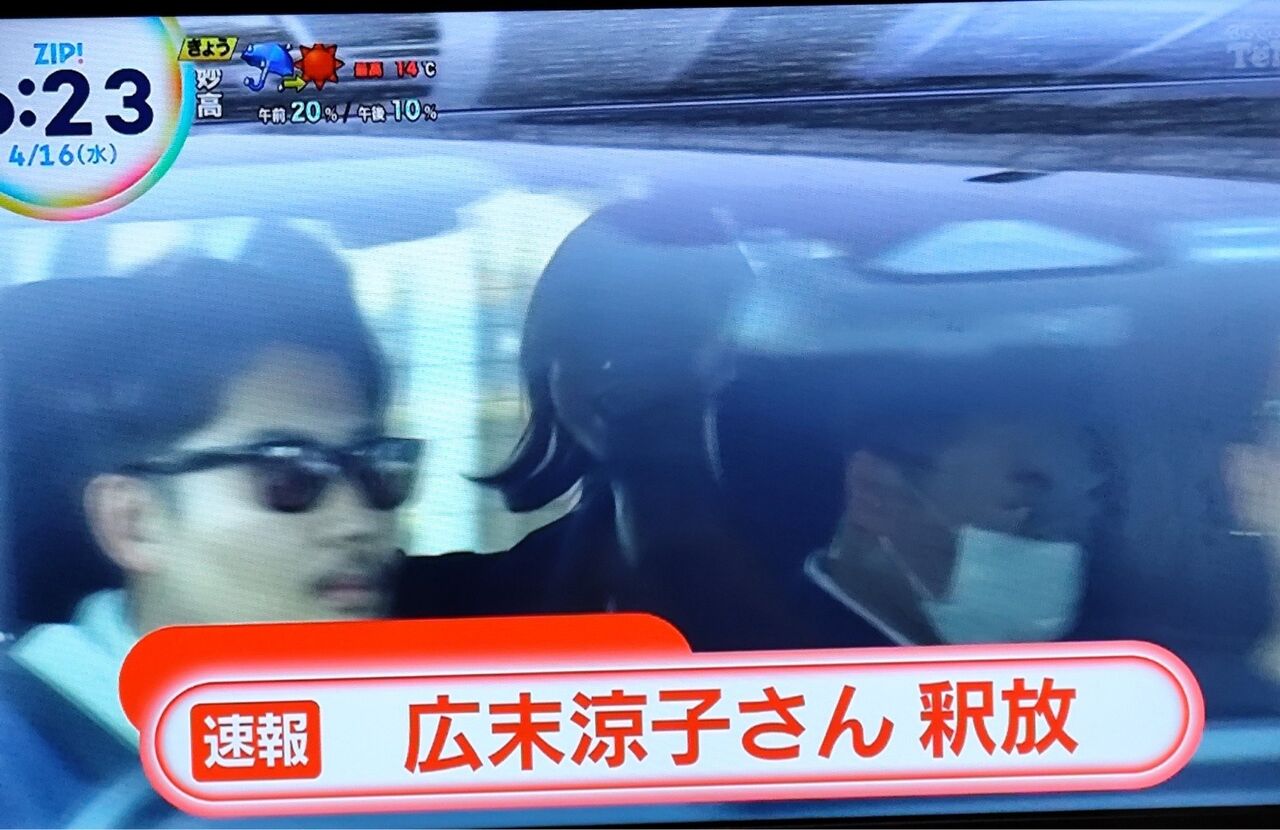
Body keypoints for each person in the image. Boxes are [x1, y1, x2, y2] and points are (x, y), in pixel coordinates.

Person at [0, 252, 422, 826]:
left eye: (376, 464)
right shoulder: (23, 756)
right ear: (133, 521)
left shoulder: (422, 730)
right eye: (287, 472)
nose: (360, 521)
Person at [396, 198, 799, 649]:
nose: (613, 366)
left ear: (734, 359)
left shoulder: (827, 581)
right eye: (587, 334)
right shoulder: (485, 601)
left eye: (660, 332)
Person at [712, 349, 1116, 650]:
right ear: (875, 491)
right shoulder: (764, 673)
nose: (1063, 549)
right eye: (1025, 503)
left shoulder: (1084, 681)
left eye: (1079, 517)